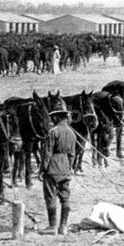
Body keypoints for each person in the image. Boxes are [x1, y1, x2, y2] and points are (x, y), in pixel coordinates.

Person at [39, 99, 77, 234]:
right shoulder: (72, 133)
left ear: (56, 117)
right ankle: (63, 227)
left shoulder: (53, 132)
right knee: (65, 197)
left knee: (50, 196)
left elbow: (47, 152)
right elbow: (73, 154)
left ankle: (52, 226)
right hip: (65, 168)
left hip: (52, 167)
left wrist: (42, 169)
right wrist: (69, 167)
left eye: (53, 117)